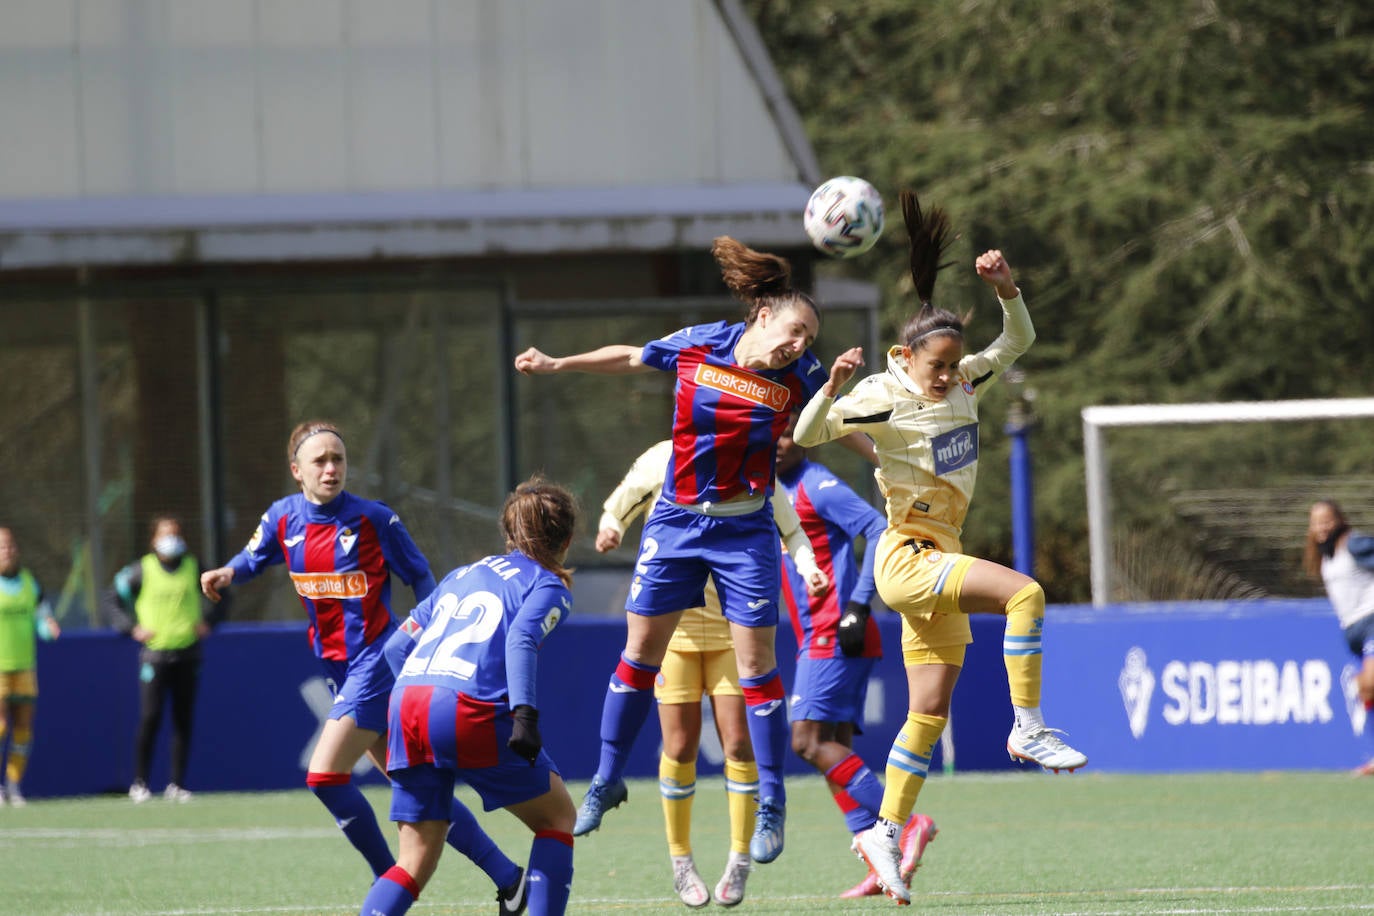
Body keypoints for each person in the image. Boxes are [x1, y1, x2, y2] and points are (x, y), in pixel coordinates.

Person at [793, 191, 1087, 904]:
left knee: (926, 715)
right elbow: (805, 439)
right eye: (939, 366)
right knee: (1025, 593)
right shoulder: (882, 394)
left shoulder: (964, 381)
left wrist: (1007, 293)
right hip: (906, 559)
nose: (951, 375)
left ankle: (885, 834)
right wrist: (830, 390)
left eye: (955, 365)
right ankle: (1028, 728)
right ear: (904, 356)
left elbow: (1015, 343)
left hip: (933, 554)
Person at [514, 236, 830, 864]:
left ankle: (773, 801)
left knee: (758, 669)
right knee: (637, 656)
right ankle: (606, 779)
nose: (801, 345)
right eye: (795, 330)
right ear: (763, 315)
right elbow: (631, 357)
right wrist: (558, 364)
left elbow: (831, 426)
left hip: (745, 530)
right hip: (678, 523)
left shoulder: (803, 377)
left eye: (810, 339)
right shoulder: (703, 342)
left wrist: (871, 438)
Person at [200, 421, 527, 910]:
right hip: (338, 668)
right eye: (320, 461)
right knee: (412, 787)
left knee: (324, 775)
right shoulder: (282, 519)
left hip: (378, 661)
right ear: (297, 471)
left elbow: (420, 575)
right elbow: (254, 556)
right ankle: (509, 877)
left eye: (338, 459)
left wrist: (431, 634)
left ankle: (387, 878)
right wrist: (228, 571)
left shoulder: (373, 520)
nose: (331, 468)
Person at [596, 439, 828, 907]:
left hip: (732, 636)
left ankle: (740, 858)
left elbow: (790, 525)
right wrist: (611, 528)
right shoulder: (663, 456)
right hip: (674, 636)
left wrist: (807, 567)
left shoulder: (752, 457)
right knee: (679, 746)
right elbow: (620, 503)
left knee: (738, 745)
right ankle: (681, 862)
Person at [358, 477, 579, 916]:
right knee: (557, 819)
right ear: (568, 540)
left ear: (508, 533)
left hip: (407, 701)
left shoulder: (463, 573)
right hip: (465, 707)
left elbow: (396, 648)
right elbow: (520, 640)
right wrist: (525, 716)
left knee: (415, 857)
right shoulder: (549, 585)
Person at [774, 422, 939, 899]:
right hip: (820, 634)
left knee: (807, 741)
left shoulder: (816, 485)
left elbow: (880, 529)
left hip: (836, 632)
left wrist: (860, 603)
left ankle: (903, 827)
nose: (779, 442)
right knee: (832, 748)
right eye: (771, 434)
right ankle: (879, 861)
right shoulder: (771, 491)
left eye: (787, 433)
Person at [104, 515, 224, 803]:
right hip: (155, 655)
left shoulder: (195, 567)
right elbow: (111, 598)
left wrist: (209, 620)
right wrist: (131, 627)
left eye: (175, 533)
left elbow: (223, 593)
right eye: (165, 534)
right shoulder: (140, 571)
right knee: (150, 717)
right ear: (154, 539)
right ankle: (140, 782)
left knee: (183, 720)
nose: (171, 539)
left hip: (188, 653)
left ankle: (177, 784)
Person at [1304, 499, 1374, 774]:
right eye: (1316, 522)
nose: (1322, 527)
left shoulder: (1354, 545)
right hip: (1353, 630)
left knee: (1369, 682)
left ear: (1339, 521)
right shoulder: (1325, 556)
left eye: (1327, 521)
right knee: (1365, 690)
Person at [0, 527, 60, 806]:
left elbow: (41, 615)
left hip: (25, 666)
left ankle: (13, 785)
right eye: (1, 547)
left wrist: (48, 626)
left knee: (23, 727)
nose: (7, 551)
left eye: (10, 546)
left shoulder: (28, 582)